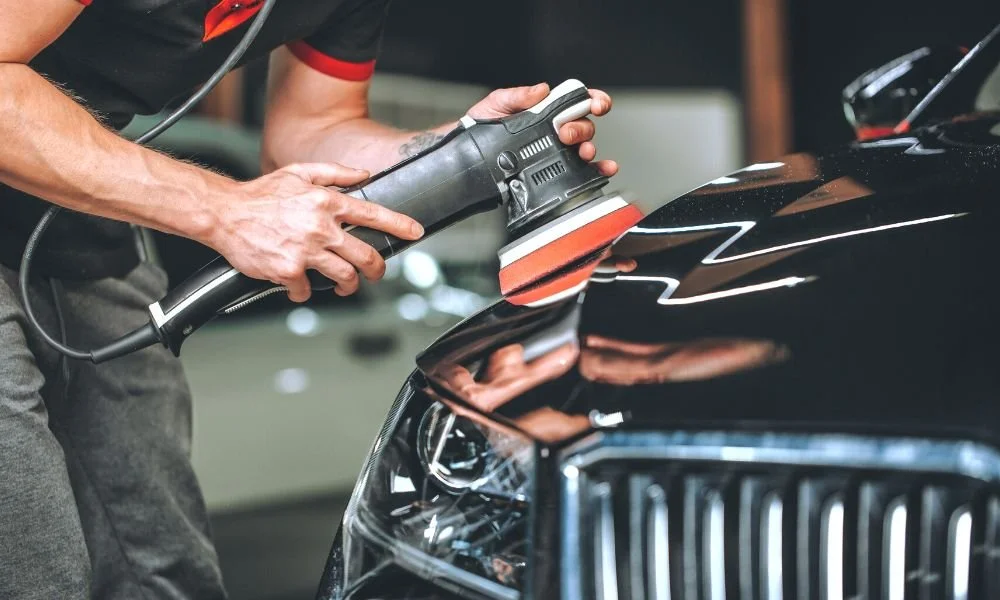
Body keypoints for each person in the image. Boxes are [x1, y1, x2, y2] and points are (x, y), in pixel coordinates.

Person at [0, 1, 618, 598]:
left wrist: (462, 151)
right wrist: (225, 210)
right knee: (35, 566)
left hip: (71, 226)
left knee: (164, 565)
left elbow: (309, 132)